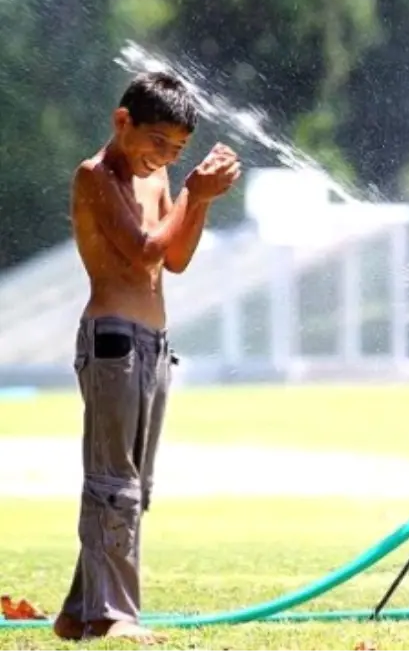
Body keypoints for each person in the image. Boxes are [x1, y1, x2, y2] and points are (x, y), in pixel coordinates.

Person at [52, 71, 241, 644]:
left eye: (177, 150)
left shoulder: (157, 178)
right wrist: (194, 192)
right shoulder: (96, 176)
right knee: (114, 482)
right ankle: (115, 615)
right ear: (121, 121)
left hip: (154, 343)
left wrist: (195, 200)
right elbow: (141, 252)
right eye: (156, 141)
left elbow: (174, 258)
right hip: (112, 338)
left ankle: (80, 611)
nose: (163, 156)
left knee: (136, 485)